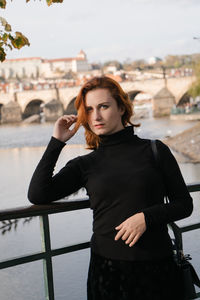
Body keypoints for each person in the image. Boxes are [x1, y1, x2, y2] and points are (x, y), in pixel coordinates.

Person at [28, 76, 193, 300]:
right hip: (107, 274)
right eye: (89, 109)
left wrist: (146, 217)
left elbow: (184, 204)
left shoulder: (155, 150)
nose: (96, 116)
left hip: (157, 270)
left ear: (122, 108)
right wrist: (57, 141)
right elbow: (38, 194)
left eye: (104, 106)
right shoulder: (86, 164)